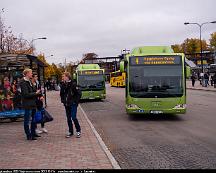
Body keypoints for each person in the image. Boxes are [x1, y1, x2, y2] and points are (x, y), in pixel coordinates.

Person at [19, 68, 41, 140]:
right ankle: (28, 135)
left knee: (34, 120)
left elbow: (33, 90)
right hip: (28, 105)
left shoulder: (30, 81)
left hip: (33, 104)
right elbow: (26, 94)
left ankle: (33, 133)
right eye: (31, 73)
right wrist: (35, 93)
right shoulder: (23, 82)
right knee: (27, 120)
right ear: (27, 74)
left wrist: (39, 93)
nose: (32, 74)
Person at [60, 72, 81, 138]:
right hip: (66, 104)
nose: (62, 78)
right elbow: (61, 94)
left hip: (73, 104)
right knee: (68, 118)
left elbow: (79, 94)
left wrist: (75, 102)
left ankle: (78, 131)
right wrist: (63, 101)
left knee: (73, 117)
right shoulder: (63, 85)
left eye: (63, 76)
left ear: (67, 77)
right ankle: (70, 131)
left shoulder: (73, 84)